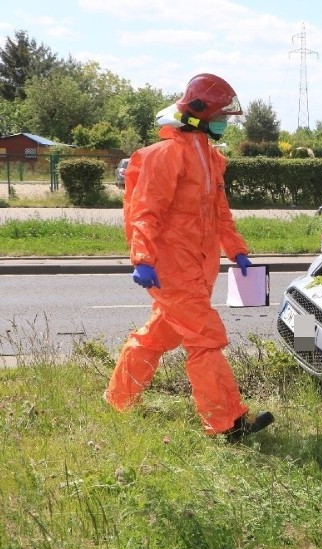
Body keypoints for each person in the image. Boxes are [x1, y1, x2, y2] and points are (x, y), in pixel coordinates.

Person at [103, 73, 274, 443]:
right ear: (197, 113)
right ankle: (227, 423)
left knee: (155, 337)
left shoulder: (211, 160)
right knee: (205, 338)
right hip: (170, 270)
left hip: (198, 268)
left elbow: (220, 214)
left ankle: (118, 400)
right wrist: (142, 258)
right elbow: (145, 211)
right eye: (220, 116)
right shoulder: (163, 156)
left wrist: (238, 251)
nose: (225, 123)